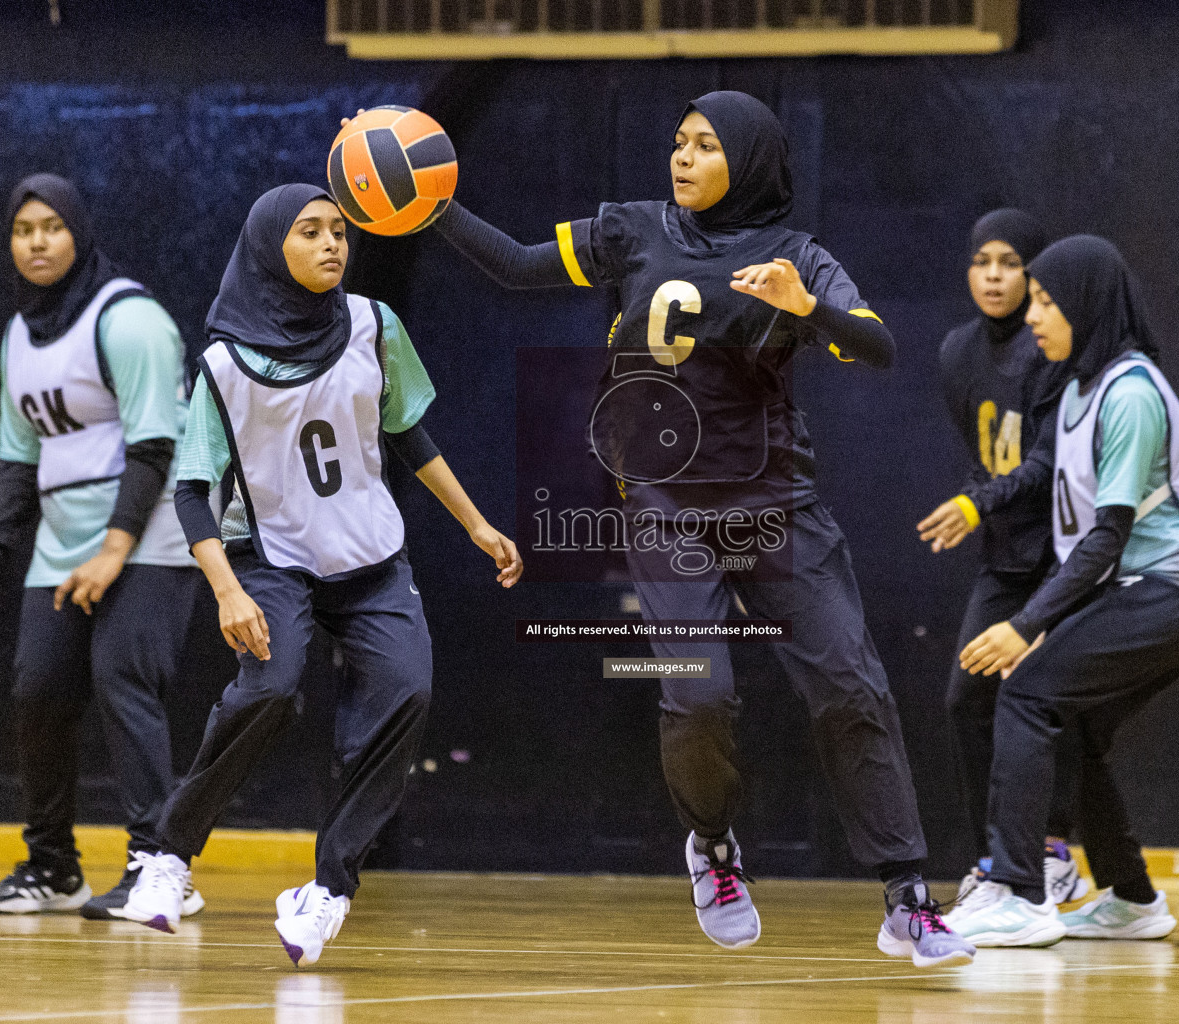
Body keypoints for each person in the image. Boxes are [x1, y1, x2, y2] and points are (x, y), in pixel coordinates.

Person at [402, 90, 974, 967]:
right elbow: (519, 265)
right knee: (696, 694)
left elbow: (877, 346)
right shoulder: (632, 229)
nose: (683, 156)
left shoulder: (796, 256)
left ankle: (906, 897)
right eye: (679, 142)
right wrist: (427, 204)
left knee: (852, 689)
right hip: (666, 507)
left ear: (746, 162)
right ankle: (712, 847)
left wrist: (806, 307)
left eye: (706, 146)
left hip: (777, 505)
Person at [119, 184, 522, 968]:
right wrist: (227, 590)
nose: (333, 243)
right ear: (273, 248)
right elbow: (193, 489)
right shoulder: (225, 362)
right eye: (311, 232)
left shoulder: (375, 325)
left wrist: (476, 524)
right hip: (271, 560)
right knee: (271, 686)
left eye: (340, 230)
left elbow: (410, 433)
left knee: (408, 691)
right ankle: (167, 855)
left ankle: (327, 889)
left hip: (369, 559)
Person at [947, 235, 1179, 947]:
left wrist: (1027, 624)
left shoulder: (1130, 393)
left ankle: (1019, 892)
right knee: (1067, 714)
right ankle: (1133, 898)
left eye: (1047, 303)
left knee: (1028, 691)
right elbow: (1088, 544)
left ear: (1086, 306)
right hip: (1151, 585)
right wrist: (1045, 616)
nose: (1033, 316)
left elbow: (1107, 537)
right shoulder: (1081, 388)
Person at [0, 174, 206, 920]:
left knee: (122, 682)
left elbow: (157, 445)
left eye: (51, 227)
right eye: (22, 229)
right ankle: (54, 868)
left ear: (78, 233)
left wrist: (114, 550)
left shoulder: (130, 321)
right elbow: (18, 458)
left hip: (154, 536)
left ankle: (159, 870)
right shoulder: (18, 336)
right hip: (67, 542)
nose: (36, 241)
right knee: (38, 691)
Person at [915, 209, 1088, 906]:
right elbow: (987, 460)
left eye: (1010, 263)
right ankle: (992, 858)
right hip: (1004, 557)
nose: (993, 275)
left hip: (1062, 555)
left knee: (1044, 700)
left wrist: (975, 504)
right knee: (967, 700)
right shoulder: (957, 352)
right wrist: (971, 502)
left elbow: (1047, 462)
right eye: (982, 261)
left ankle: (1052, 849)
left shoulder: (1050, 347)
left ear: (1033, 273)